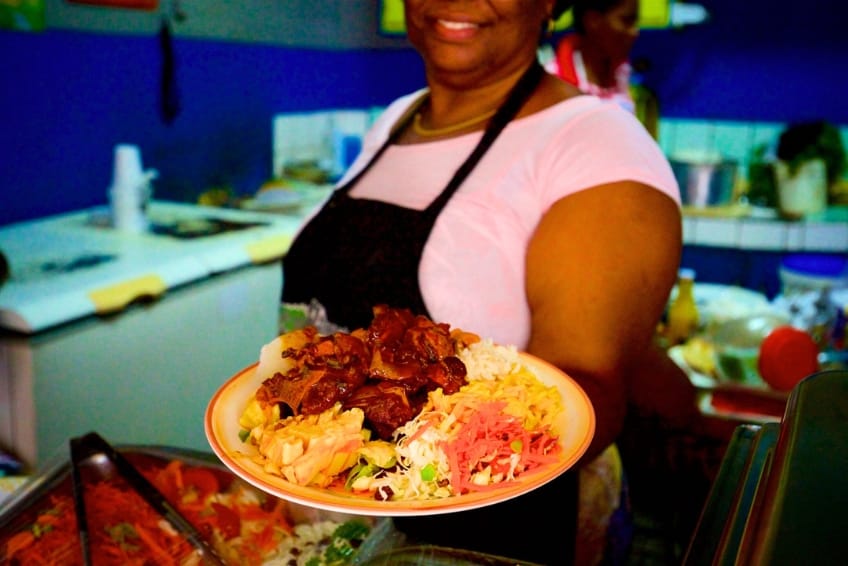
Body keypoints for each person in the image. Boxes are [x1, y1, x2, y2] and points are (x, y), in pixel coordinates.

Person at [282, 0, 697, 563]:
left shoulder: (596, 148)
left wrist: (384, 474)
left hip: (473, 545)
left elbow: (583, 397)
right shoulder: (398, 119)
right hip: (324, 528)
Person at [552, 0, 640, 113]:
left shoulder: (624, 73)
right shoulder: (553, 77)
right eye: (626, 21)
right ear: (593, 20)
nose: (635, 32)